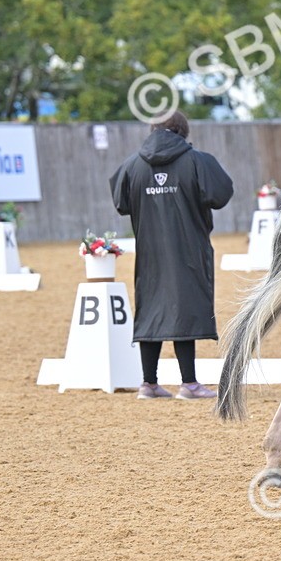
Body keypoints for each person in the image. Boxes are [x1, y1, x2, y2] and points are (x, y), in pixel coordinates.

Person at [110, 111, 234, 399]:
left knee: (150, 307)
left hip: (150, 250)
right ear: (182, 130)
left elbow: (121, 202)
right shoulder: (196, 161)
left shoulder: (132, 165)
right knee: (184, 306)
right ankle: (189, 383)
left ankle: (148, 383)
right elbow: (221, 193)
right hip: (188, 247)